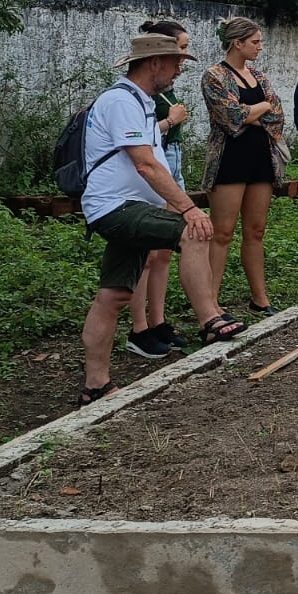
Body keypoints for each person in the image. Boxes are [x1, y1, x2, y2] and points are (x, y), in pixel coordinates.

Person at [78, 33, 239, 407]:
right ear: (154, 63)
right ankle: (210, 320)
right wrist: (187, 208)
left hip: (126, 206)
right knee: (193, 232)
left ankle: (95, 385)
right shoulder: (121, 101)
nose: (179, 70)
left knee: (114, 295)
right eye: (175, 63)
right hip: (116, 207)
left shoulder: (141, 102)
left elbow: (152, 164)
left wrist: (171, 203)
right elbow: (146, 164)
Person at [201, 17, 287, 315]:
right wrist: (259, 109)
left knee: (256, 230)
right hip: (229, 160)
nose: (260, 47)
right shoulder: (214, 76)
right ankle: (210, 303)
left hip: (261, 158)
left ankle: (260, 298)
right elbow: (232, 117)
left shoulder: (258, 76)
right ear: (237, 43)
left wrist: (253, 112)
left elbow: (277, 115)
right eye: (255, 42)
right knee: (222, 232)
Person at [123, 19, 191, 358]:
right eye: (179, 52)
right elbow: (141, 146)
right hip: (154, 168)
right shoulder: (128, 99)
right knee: (148, 255)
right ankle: (139, 328)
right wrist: (172, 120)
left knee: (164, 251)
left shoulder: (157, 92)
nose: (181, 64)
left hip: (170, 162)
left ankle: (158, 320)